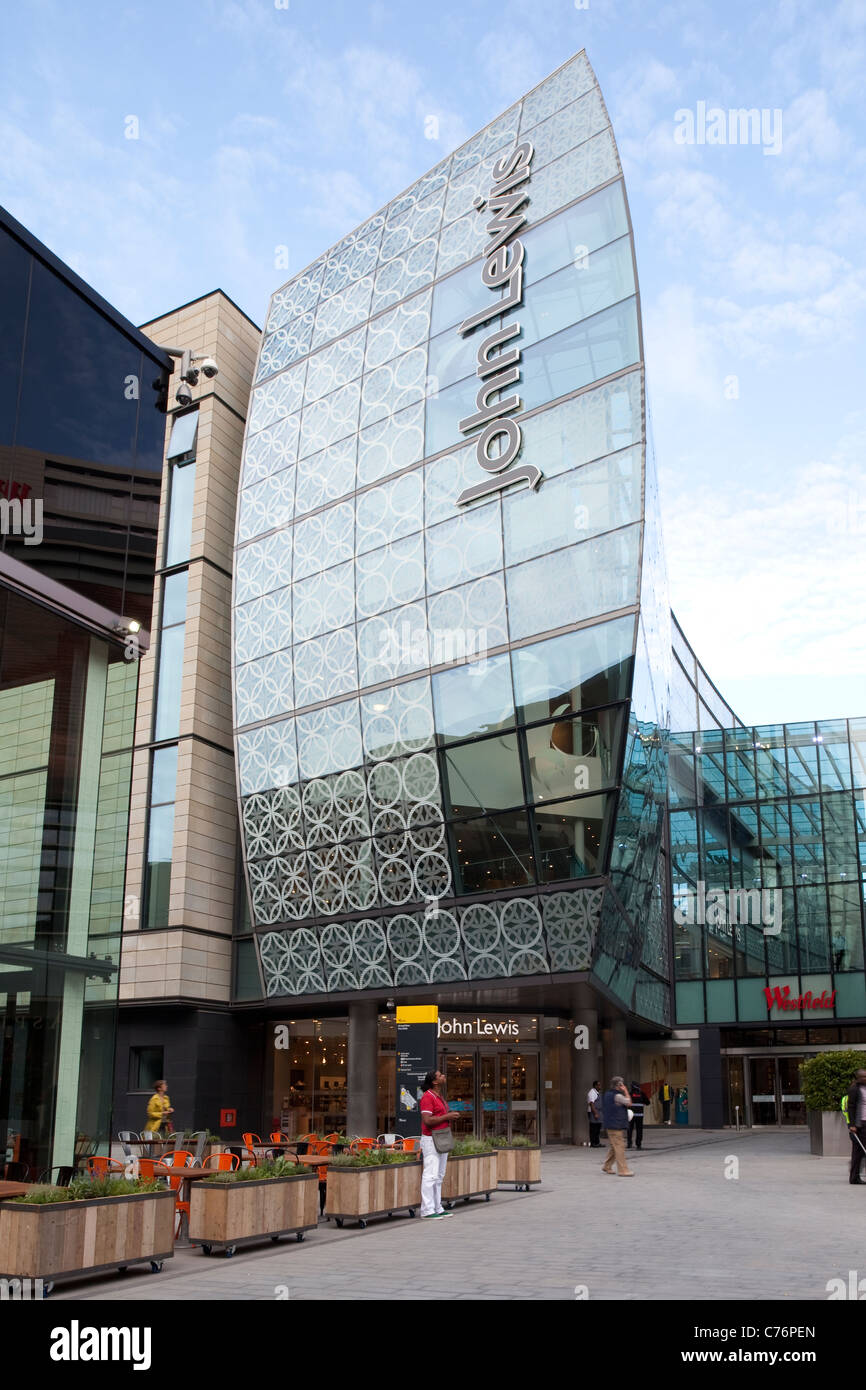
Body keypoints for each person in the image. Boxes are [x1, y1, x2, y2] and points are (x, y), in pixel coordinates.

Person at [419, 1070, 462, 1220]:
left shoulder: (439, 1097)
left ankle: (437, 1207)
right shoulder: (427, 1097)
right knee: (430, 1175)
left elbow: (438, 1117)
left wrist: (448, 1116)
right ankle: (426, 1209)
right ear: (435, 1082)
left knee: (439, 1175)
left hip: (441, 1137)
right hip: (431, 1139)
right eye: (440, 1075)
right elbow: (427, 1120)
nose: (444, 1075)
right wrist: (448, 1116)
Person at [601, 1076, 634, 1176]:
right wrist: (626, 1091)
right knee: (620, 1147)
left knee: (614, 1146)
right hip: (616, 1125)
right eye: (622, 1084)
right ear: (619, 1085)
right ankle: (623, 1170)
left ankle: (607, 1166)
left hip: (609, 1124)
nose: (623, 1086)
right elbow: (629, 1103)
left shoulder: (607, 1094)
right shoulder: (618, 1096)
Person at [846, 1068, 866, 1185]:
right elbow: (851, 1107)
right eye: (863, 1077)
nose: (865, 1078)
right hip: (861, 1124)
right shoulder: (854, 1089)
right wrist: (852, 1124)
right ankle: (854, 1177)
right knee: (858, 1151)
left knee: (858, 1152)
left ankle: (854, 1177)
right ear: (858, 1078)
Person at [627, 1080, 648, 1150]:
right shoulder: (642, 1093)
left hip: (631, 1115)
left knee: (630, 1129)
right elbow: (648, 1102)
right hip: (639, 1115)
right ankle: (638, 1144)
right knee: (639, 1129)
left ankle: (629, 1143)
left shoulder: (630, 1094)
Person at [587, 1079, 602, 1148]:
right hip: (593, 1112)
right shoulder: (592, 1092)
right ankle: (593, 1143)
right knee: (594, 1128)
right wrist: (595, 1113)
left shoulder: (597, 1093)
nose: (600, 1086)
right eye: (598, 1085)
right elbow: (591, 1103)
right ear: (595, 1086)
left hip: (598, 1112)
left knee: (598, 1128)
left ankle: (597, 1142)